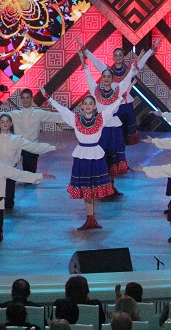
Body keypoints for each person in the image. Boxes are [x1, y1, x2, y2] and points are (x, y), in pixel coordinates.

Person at [42, 84, 122, 230]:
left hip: (95, 156)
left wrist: (121, 97)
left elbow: (111, 108)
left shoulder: (101, 118)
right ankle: (89, 218)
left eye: (91, 103)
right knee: (86, 188)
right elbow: (63, 110)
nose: (88, 106)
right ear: (82, 106)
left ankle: (92, 218)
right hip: (82, 156)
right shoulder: (76, 119)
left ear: (95, 106)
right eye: (85, 103)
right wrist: (49, 98)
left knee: (94, 188)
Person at [78, 37, 161, 146]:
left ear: (123, 57)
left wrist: (151, 50)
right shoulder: (107, 71)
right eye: (116, 55)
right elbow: (96, 61)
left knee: (129, 125)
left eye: (120, 55)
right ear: (113, 57)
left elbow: (140, 64)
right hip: (113, 105)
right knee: (114, 127)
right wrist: (85, 50)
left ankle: (127, 145)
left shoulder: (129, 71)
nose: (118, 57)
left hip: (126, 103)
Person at [78, 48, 141, 184]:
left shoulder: (117, 91)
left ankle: (112, 183)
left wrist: (133, 66)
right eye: (104, 76)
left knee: (114, 153)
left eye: (108, 77)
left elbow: (127, 78)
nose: (106, 79)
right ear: (102, 78)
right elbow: (89, 78)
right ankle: (102, 180)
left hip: (115, 127)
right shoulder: (96, 91)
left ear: (112, 79)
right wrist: (84, 65)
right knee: (102, 152)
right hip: (102, 126)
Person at [0, 88, 63, 174]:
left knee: (30, 174)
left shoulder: (38, 113)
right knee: (9, 169)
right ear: (21, 99)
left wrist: (70, 117)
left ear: (31, 99)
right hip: (18, 146)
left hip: (32, 147)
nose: (25, 100)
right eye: (23, 98)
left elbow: (54, 116)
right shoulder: (15, 114)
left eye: (27, 97)